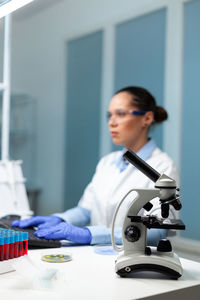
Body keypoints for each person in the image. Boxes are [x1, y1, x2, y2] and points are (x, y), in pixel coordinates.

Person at [13, 86, 178, 246]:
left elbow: (159, 230)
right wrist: (60, 219)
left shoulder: (163, 166)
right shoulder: (107, 162)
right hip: (97, 255)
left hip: (137, 260)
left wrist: (90, 235)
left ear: (147, 118)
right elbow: (87, 209)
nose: (111, 122)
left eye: (120, 114)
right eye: (109, 115)